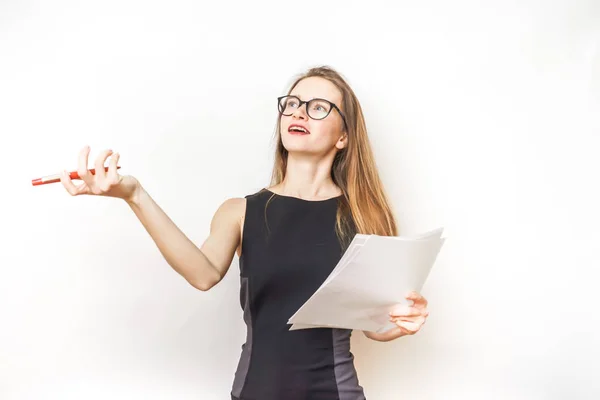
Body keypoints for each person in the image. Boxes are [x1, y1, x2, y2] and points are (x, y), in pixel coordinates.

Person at [59, 66, 430, 400]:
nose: (299, 112)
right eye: (293, 103)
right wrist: (134, 195)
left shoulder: (365, 218)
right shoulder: (240, 211)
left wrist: (401, 322)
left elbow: (374, 326)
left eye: (318, 107)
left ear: (344, 136)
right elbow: (202, 274)